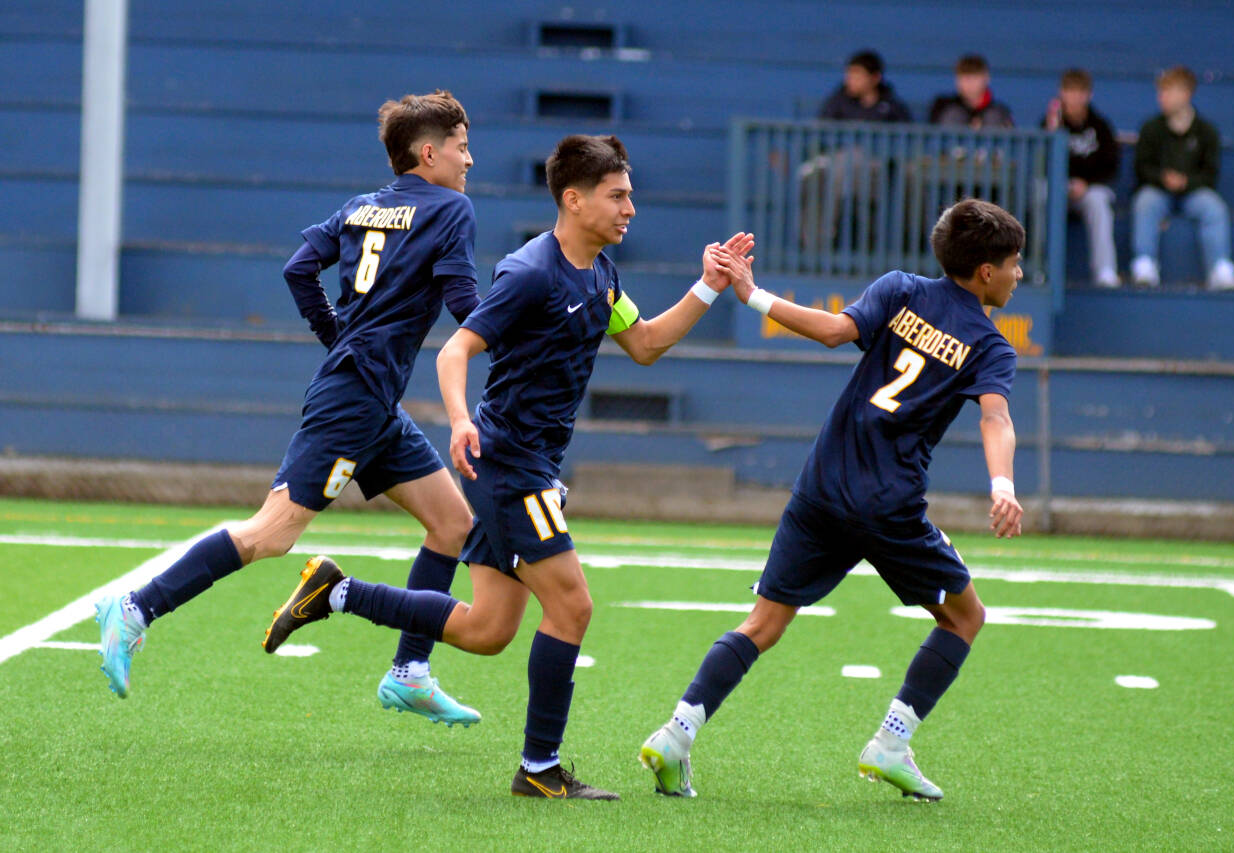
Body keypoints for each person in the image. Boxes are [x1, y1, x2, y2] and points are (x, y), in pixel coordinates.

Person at [261, 134, 754, 800]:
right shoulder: (530, 273)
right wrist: (462, 420)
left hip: (527, 463)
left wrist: (708, 285)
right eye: (618, 195)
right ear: (574, 200)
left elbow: (645, 344)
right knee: (573, 605)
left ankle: (338, 591)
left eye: (630, 194)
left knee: (488, 629)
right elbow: (454, 352)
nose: (630, 208)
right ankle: (540, 768)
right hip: (509, 464)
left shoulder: (602, 274)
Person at [95, 91, 484, 727]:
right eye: (463, 147)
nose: (471, 160)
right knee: (271, 534)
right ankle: (135, 608)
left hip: (368, 394)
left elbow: (299, 267)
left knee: (451, 525)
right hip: (354, 399)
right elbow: (467, 303)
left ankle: (410, 673)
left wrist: (339, 336)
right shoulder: (452, 209)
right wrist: (526, 331)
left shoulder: (362, 207)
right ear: (430, 152)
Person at [639, 198, 1025, 802]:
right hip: (890, 506)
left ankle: (675, 735)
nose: (1019, 274)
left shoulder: (900, 288)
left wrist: (752, 294)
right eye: (1013, 263)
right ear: (985, 272)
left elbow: (832, 331)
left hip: (822, 486)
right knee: (966, 617)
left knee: (763, 624)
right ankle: (891, 745)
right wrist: (1002, 486)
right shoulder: (992, 345)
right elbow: (995, 419)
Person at [1130, 66, 1234, 290]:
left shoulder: (1206, 131)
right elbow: (1142, 168)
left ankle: (1220, 266)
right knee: (1145, 201)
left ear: (1185, 94)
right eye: (1161, 92)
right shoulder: (1151, 128)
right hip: (1158, 191)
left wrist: (1186, 182)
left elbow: (1210, 173)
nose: (1161, 98)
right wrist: (1163, 178)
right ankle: (1145, 263)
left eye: (1167, 92)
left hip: (1193, 193)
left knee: (1214, 206)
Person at [1042, 68, 1120, 287]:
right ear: (1061, 93)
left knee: (1099, 201)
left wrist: (1086, 184)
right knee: (1042, 194)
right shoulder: (1049, 123)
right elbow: (1040, 164)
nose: (1074, 98)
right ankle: (1042, 268)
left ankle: (1105, 270)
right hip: (1058, 187)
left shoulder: (1100, 126)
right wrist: (1052, 132)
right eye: (1069, 91)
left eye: (1079, 92)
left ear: (1089, 95)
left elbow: (1110, 166)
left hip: (1089, 189)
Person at [819, 50, 912, 123]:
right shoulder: (837, 104)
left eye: (857, 77)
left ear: (875, 78)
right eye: (849, 76)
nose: (850, 81)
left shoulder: (892, 107)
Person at [929, 54, 1015, 129]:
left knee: (993, 116)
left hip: (988, 147)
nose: (970, 84)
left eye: (974, 78)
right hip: (952, 147)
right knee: (954, 115)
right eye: (965, 78)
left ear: (987, 78)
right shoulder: (943, 106)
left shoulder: (1000, 111)